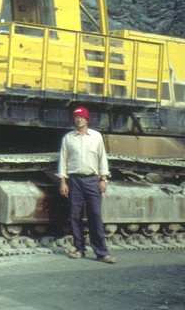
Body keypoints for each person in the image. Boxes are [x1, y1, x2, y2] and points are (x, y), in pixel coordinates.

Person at [57, 106, 116, 263]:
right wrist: (63, 181)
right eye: (76, 117)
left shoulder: (96, 137)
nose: (79, 119)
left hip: (92, 180)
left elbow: (102, 158)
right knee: (74, 215)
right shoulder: (68, 138)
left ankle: (102, 253)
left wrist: (103, 179)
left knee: (95, 215)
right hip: (74, 180)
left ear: (87, 119)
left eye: (82, 117)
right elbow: (63, 160)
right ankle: (79, 249)